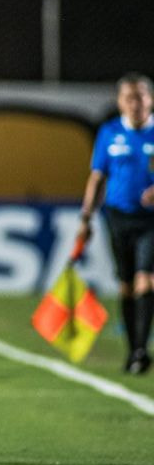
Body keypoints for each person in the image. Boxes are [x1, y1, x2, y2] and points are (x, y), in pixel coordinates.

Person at [77, 72, 154, 375]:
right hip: (117, 218)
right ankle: (133, 349)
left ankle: (140, 349)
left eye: (141, 97)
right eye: (129, 98)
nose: (136, 103)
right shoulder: (109, 133)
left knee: (145, 280)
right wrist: (86, 218)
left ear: (150, 99)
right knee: (125, 286)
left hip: (150, 221)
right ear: (121, 102)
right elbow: (97, 177)